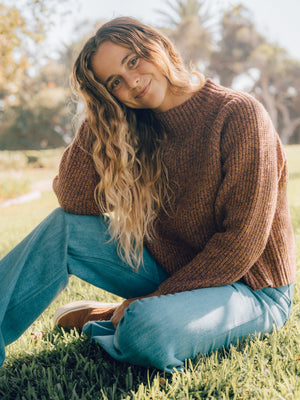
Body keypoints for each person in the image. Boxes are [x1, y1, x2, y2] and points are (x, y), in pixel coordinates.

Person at [0, 17, 296, 373]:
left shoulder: (238, 114)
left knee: (146, 331)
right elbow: (74, 201)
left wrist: (157, 298)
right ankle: (143, 309)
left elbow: (241, 244)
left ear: (156, 46)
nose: (132, 82)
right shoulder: (136, 128)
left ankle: (124, 315)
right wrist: (100, 114)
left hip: (251, 289)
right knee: (63, 227)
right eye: (115, 83)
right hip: (174, 269)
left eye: (132, 61)